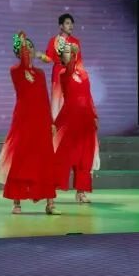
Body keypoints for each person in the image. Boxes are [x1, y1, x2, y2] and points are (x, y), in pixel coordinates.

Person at [0, 32, 59, 215]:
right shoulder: (16, 71)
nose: (28, 49)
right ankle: (17, 202)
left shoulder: (40, 73)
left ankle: (50, 203)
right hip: (23, 119)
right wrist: (21, 41)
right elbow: (24, 60)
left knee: (45, 158)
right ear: (19, 52)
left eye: (30, 46)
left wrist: (51, 122)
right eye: (24, 47)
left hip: (41, 120)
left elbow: (45, 99)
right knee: (20, 158)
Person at [52, 37, 99, 203]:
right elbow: (70, 67)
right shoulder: (64, 74)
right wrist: (70, 50)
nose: (69, 54)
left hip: (86, 119)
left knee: (85, 157)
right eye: (65, 52)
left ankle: (81, 192)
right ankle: (52, 189)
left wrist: (94, 115)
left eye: (70, 52)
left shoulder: (84, 74)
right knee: (65, 155)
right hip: (71, 118)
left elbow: (88, 96)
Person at [43, 13, 79, 119]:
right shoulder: (54, 41)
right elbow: (49, 58)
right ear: (61, 26)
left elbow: (78, 60)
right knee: (56, 100)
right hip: (58, 73)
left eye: (72, 23)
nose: (70, 26)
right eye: (67, 23)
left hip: (71, 73)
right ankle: (56, 125)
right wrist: (40, 56)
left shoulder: (75, 41)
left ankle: (68, 126)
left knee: (70, 101)